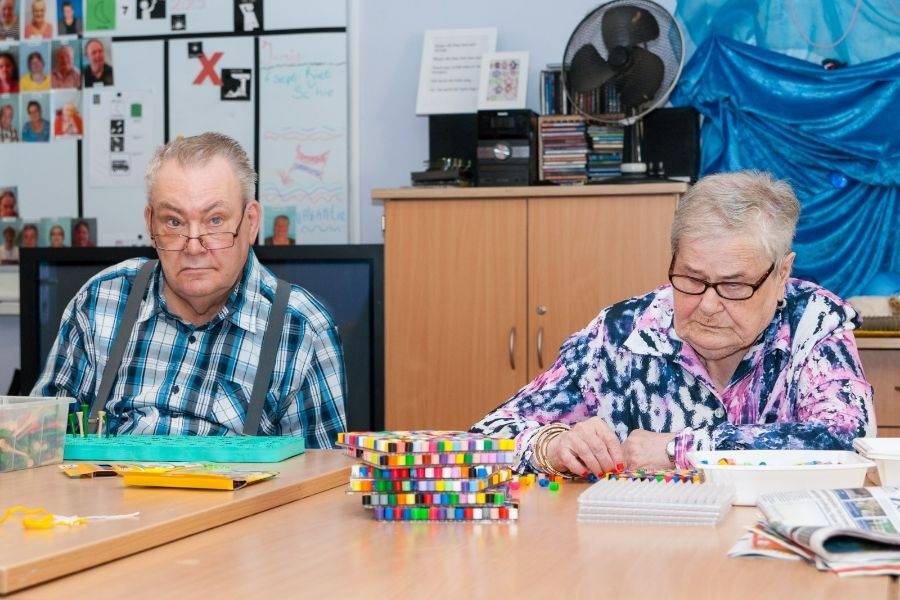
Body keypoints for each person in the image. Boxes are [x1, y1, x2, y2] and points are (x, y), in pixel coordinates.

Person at [471, 171, 874, 476]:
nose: (709, 305)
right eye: (692, 280)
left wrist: (677, 450)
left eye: (734, 285)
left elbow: (843, 441)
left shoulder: (815, 322)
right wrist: (551, 446)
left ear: (782, 274)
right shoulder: (622, 333)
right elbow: (483, 438)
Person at [33, 132, 347, 445]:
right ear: (150, 223)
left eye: (215, 220)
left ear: (251, 222)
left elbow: (318, 481)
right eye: (174, 222)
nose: (194, 246)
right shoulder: (99, 301)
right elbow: (39, 447)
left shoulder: (302, 330)